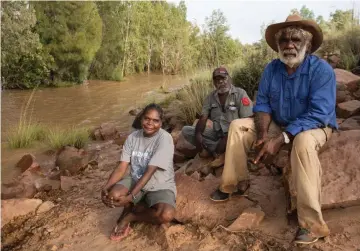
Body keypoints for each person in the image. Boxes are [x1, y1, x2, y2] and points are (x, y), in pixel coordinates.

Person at [210, 14, 337, 245]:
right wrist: (262, 134)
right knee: (238, 126)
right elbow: (263, 104)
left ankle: (311, 225)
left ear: (307, 44)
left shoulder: (322, 70)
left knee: (303, 143)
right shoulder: (272, 69)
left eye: (296, 39)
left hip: (315, 125)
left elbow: (319, 113)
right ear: (278, 45)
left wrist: (280, 139)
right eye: (284, 40)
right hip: (280, 122)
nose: (289, 45)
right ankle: (234, 184)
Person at [101, 103, 176, 241]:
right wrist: (106, 186)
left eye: (155, 120)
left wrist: (130, 197)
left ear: (161, 123)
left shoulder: (165, 139)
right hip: (136, 179)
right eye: (147, 119)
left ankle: (132, 216)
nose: (150, 123)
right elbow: (122, 167)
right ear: (141, 118)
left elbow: (150, 171)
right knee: (113, 195)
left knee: (166, 214)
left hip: (159, 184)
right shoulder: (133, 137)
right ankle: (130, 207)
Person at [181, 67, 253, 160]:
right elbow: (203, 118)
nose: (221, 82)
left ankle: (215, 149)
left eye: (224, 78)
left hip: (236, 134)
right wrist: (198, 134)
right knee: (186, 130)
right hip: (217, 134)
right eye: (217, 80)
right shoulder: (210, 98)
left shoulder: (240, 94)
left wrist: (226, 139)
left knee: (238, 138)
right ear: (214, 83)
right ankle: (218, 149)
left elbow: (247, 121)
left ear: (229, 79)